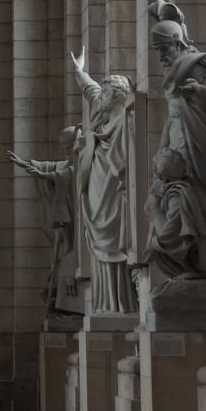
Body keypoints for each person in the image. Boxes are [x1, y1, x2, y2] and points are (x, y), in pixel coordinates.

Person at [69, 46, 137, 315]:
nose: (102, 96)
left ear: (118, 96)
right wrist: (79, 70)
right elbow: (91, 90)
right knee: (99, 252)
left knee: (115, 249)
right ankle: (104, 304)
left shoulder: (126, 122)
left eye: (107, 92)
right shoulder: (103, 116)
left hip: (114, 198)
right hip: (95, 198)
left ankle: (121, 304)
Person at [147, 0, 206, 259]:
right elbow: (171, 117)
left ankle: (201, 256)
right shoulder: (173, 70)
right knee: (172, 198)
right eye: (157, 50)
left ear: (178, 42)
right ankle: (193, 257)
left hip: (198, 142)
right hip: (177, 145)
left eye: (164, 49)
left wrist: (199, 91)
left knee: (194, 199)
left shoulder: (197, 64)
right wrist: (162, 149)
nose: (161, 56)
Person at [7, 124, 81, 314]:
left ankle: (64, 294)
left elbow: (61, 174)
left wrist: (40, 173)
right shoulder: (68, 165)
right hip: (64, 220)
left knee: (67, 251)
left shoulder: (78, 166)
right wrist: (27, 164)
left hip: (73, 222)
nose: (65, 150)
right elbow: (52, 167)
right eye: (63, 146)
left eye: (68, 145)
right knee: (59, 253)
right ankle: (57, 293)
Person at [144, 146, 206, 277]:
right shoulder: (187, 185)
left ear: (162, 176)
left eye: (156, 173)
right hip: (198, 247)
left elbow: (169, 238)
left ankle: (190, 270)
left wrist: (154, 207)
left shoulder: (176, 193)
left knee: (155, 247)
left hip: (200, 252)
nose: (155, 177)